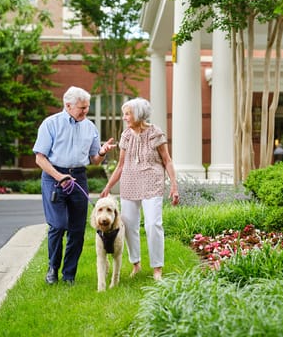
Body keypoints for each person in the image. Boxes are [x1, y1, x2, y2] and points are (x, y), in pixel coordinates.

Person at [33, 86, 116, 285]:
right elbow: (40, 158)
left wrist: (103, 152)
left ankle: (69, 275)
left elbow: (94, 159)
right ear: (68, 106)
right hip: (54, 177)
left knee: (77, 230)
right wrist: (59, 176)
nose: (85, 111)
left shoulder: (90, 127)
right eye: (82, 108)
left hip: (78, 177)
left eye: (87, 107)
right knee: (58, 225)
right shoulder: (50, 124)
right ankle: (53, 268)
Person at [101, 97, 179, 281]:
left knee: (153, 224)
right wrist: (108, 187)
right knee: (128, 226)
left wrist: (174, 185)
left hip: (152, 181)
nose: (125, 118)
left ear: (138, 114)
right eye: (124, 114)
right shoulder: (126, 135)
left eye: (128, 114)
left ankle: (157, 268)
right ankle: (136, 263)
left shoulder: (155, 133)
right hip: (129, 182)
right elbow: (121, 166)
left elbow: (167, 160)